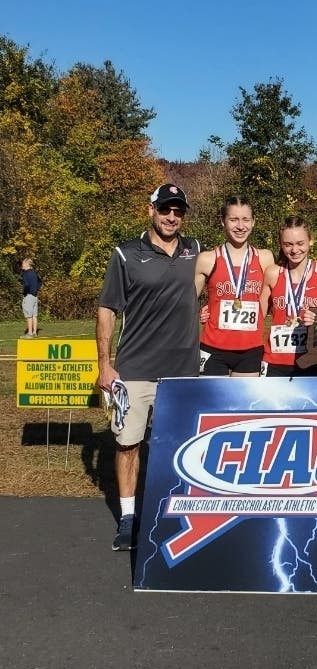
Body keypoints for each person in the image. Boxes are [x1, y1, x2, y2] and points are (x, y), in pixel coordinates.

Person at [96, 183, 201, 551]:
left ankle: (174, 514)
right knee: (128, 445)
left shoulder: (196, 250)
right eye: (165, 209)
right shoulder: (126, 254)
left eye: (178, 211)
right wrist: (105, 365)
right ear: (151, 210)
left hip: (183, 373)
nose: (171, 216)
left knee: (181, 446)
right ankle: (128, 519)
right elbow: (107, 310)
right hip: (135, 369)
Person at [195, 196, 274, 377]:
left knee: (245, 405)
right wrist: (199, 311)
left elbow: (280, 295)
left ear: (253, 222)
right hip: (213, 347)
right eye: (233, 219)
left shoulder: (265, 258)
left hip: (251, 348)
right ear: (223, 221)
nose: (240, 226)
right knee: (213, 405)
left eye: (246, 219)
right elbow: (187, 302)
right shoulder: (207, 259)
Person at [260, 217, 317, 377]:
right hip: (274, 360)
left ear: (311, 241)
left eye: (300, 243)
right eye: (288, 244)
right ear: (280, 244)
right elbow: (258, 318)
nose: (294, 250)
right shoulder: (272, 273)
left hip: (309, 360)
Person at [20, 258, 41, 338]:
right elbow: (40, 282)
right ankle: (35, 332)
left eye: (23, 263)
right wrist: (36, 289)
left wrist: (25, 292)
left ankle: (30, 333)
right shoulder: (34, 273)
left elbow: (26, 285)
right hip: (35, 296)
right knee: (34, 315)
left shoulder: (25, 273)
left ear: (27, 264)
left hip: (29, 296)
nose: (22, 265)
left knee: (29, 315)